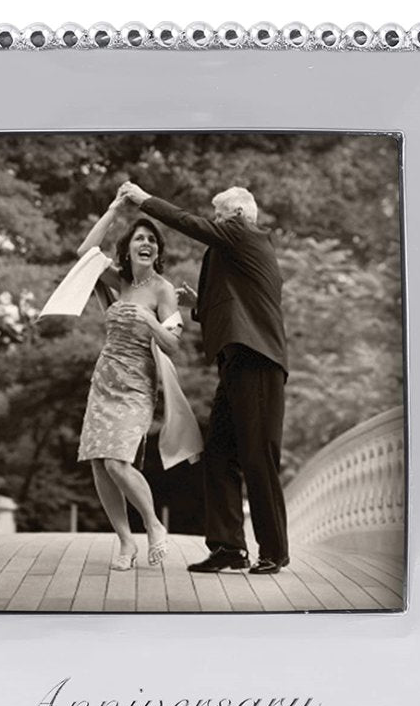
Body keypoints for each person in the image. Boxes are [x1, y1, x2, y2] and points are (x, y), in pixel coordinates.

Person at [118, 181, 289, 575]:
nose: (215, 221)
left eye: (220, 215)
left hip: (258, 361)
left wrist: (145, 199)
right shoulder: (235, 252)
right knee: (217, 455)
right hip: (235, 363)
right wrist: (201, 305)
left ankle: (274, 551)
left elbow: (186, 222)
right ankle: (229, 547)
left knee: (257, 457)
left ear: (238, 216)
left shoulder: (246, 234)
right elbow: (239, 303)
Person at [38, 192, 202, 570]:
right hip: (104, 381)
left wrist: (149, 320)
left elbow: (173, 344)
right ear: (127, 249)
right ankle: (126, 543)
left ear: (158, 251)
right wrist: (114, 207)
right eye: (139, 238)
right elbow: (85, 252)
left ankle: (154, 526)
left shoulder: (162, 290)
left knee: (116, 461)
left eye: (152, 240)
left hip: (137, 386)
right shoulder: (117, 281)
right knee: (99, 463)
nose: (146, 243)